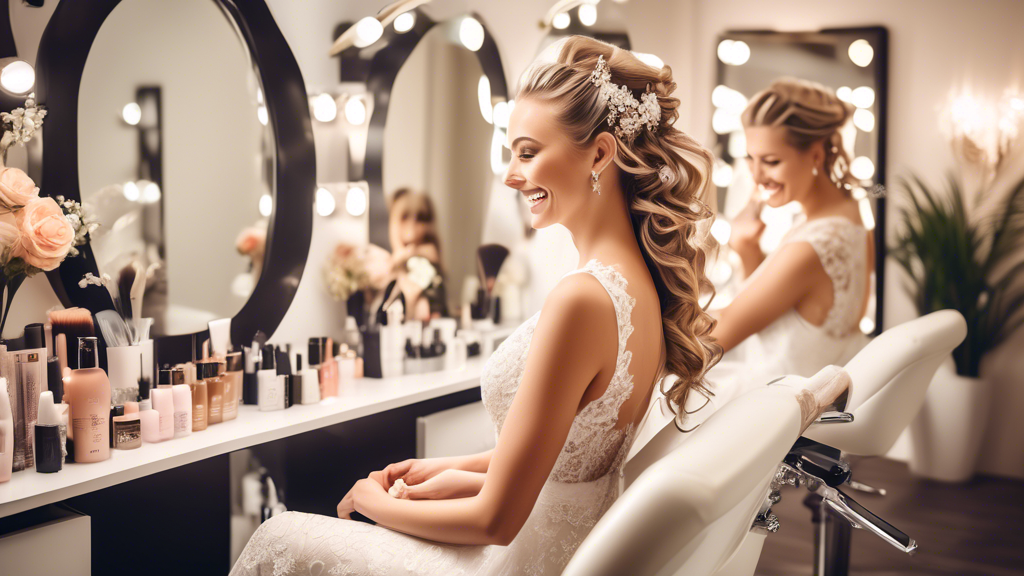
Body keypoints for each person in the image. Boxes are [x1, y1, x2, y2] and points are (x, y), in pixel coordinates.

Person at [230, 39, 846, 576]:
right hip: (560, 540)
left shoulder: (583, 299)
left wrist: (371, 500)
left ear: (601, 155)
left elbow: (497, 520)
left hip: (521, 560)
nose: (510, 176)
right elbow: (568, 460)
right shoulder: (638, 284)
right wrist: (449, 469)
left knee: (279, 534)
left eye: (527, 153)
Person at [695, 78, 874, 419]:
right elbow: (790, 311)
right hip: (802, 406)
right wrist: (747, 248)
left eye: (772, 161)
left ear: (816, 154)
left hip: (771, 416)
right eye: (750, 158)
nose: (757, 175)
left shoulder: (811, 247)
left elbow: (719, 336)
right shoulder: (853, 220)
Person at [387, 188, 449, 321]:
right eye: (404, 217)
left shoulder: (427, 262)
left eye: (421, 219)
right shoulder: (388, 262)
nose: (412, 225)